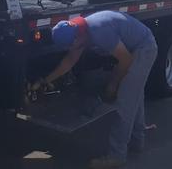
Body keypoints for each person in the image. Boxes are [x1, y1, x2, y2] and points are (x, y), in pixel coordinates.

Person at [39, 11, 158, 169]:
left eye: (70, 45)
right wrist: (46, 80)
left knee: (124, 102)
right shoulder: (79, 30)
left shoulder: (99, 31)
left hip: (144, 48)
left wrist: (113, 84)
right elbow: (69, 61)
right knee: (135, 94)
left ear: (76, 38)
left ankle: (117, 156)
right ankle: (137, 141)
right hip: (135, 47)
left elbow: (126, 61)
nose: (71, 49)